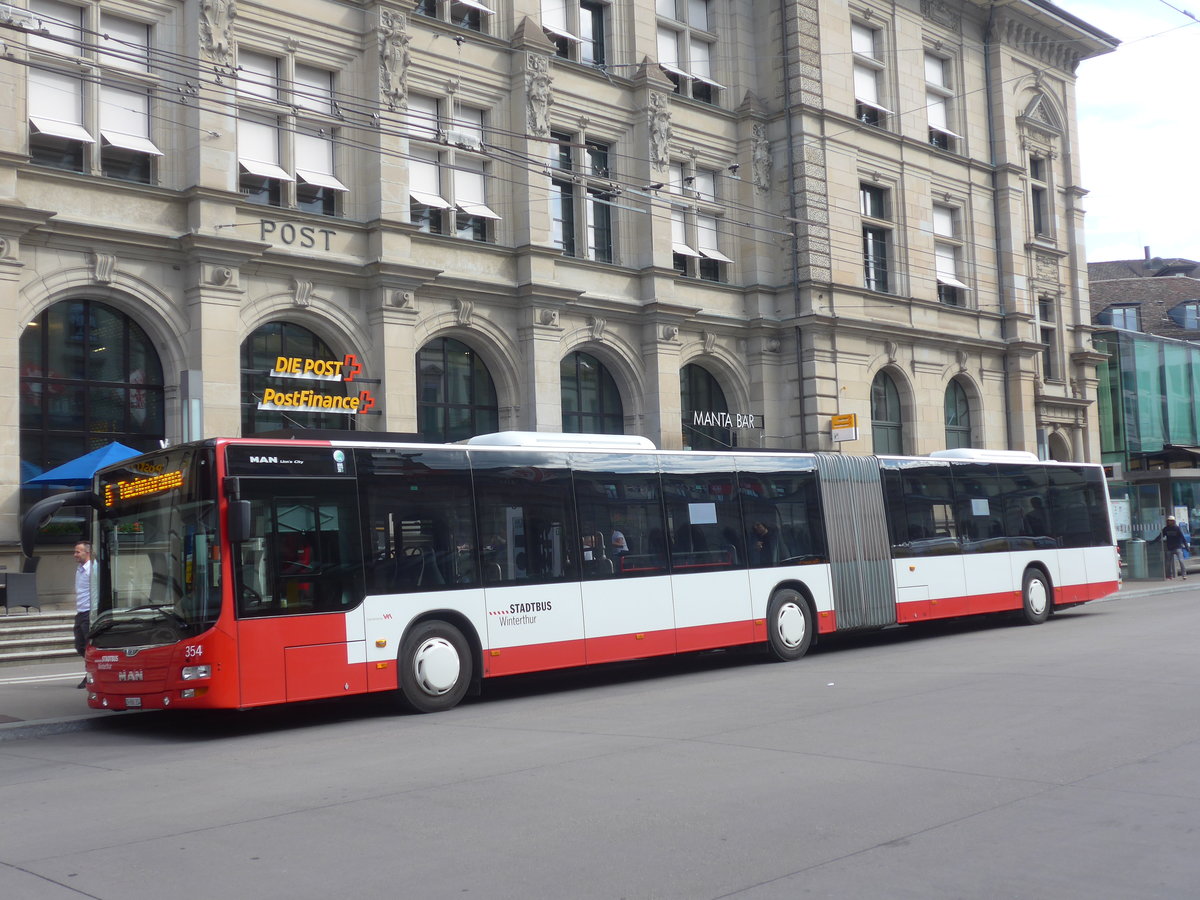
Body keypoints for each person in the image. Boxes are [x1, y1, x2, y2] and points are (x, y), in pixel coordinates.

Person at [72, 541, 94, 688]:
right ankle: (92, 671)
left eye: (78, 552)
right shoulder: (80, 569)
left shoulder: (93, 569)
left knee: (88, 645)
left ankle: (90, 675)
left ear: (87, 552)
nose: (75, 555)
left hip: (89, 612)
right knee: (79, 645)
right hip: (80, 612)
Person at [1158, 515, 1190, 580]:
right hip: (1170, 548)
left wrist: (1186, 547)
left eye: (1171, 521)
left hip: (1177, 547)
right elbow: (1160, 536)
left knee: (1181, 561)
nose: (1170, 522)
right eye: (1169, 520)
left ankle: (1184, 575)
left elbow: (1182, 538)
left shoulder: (1177, 528)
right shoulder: (1166, 529)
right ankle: (1169, 575)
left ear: (1173, 521)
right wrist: (1152, 542)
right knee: (1168, 563)